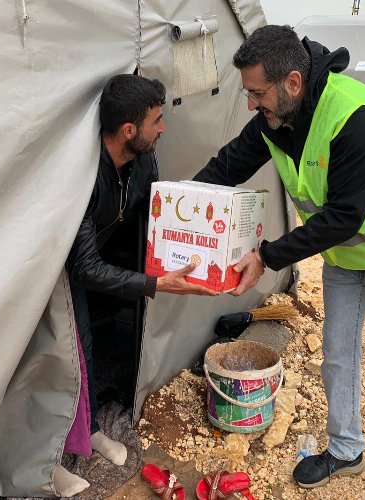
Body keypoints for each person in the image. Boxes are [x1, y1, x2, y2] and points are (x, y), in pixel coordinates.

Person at [193, 25, 365, 500]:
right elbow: (226, 168)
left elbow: (345, 215)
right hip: (345, 260)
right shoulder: (274, 120)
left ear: (293, 83)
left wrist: (267, 257)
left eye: (257, 93)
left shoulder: (357, 114)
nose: (251, 104)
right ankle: (346, 450)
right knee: (338, 359)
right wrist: (178, 210)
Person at [66, 74, 216, 466]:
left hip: (104, 253)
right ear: (129, 129)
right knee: (77, 347)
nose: (164, 127)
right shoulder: (83, 174)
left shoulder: (142, 159)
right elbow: (83, 268)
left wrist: (205, 250)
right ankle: (86, 431)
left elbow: (157, 218)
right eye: (157, 120)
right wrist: (154, 282)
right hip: (65, 272)